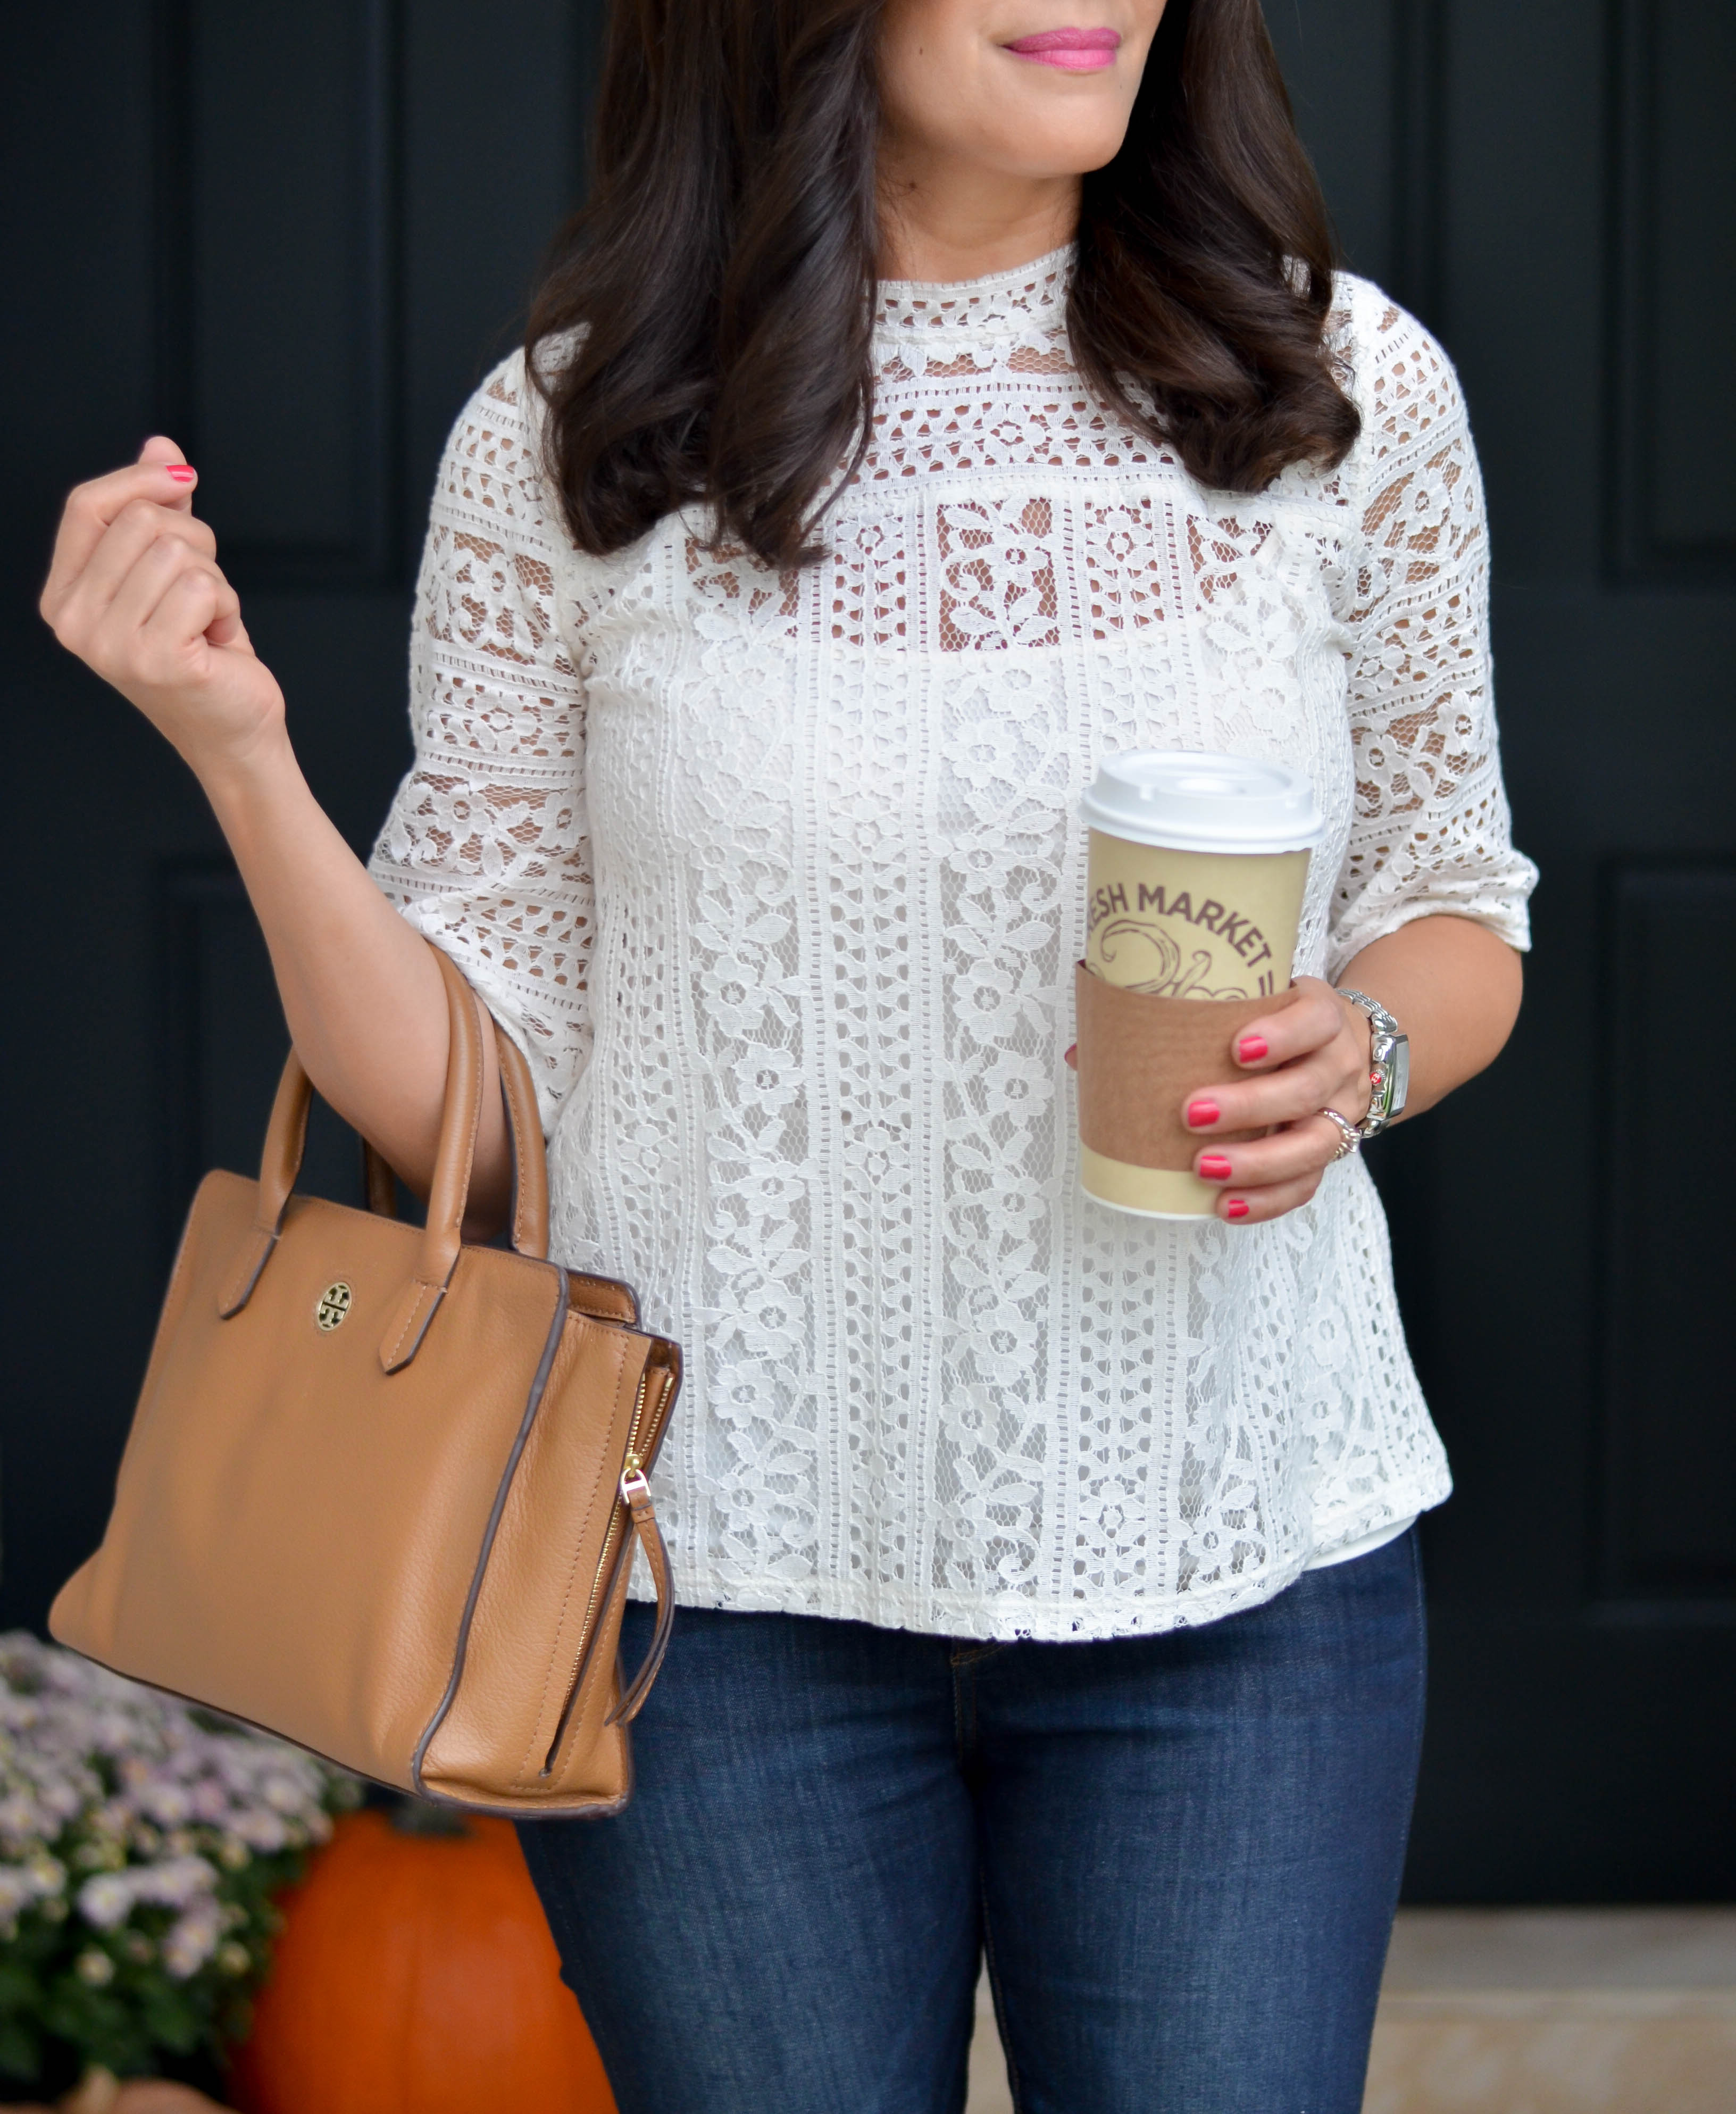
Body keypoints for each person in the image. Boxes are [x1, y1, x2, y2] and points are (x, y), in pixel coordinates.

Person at [40, 1, 1537, 2107]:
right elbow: (464, 1083)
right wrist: (237, 747)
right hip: (697, 1596)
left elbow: (1463, 896)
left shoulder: (1339, 389)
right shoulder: (569, 439)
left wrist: (1366, 1048)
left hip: (1239, 1560)